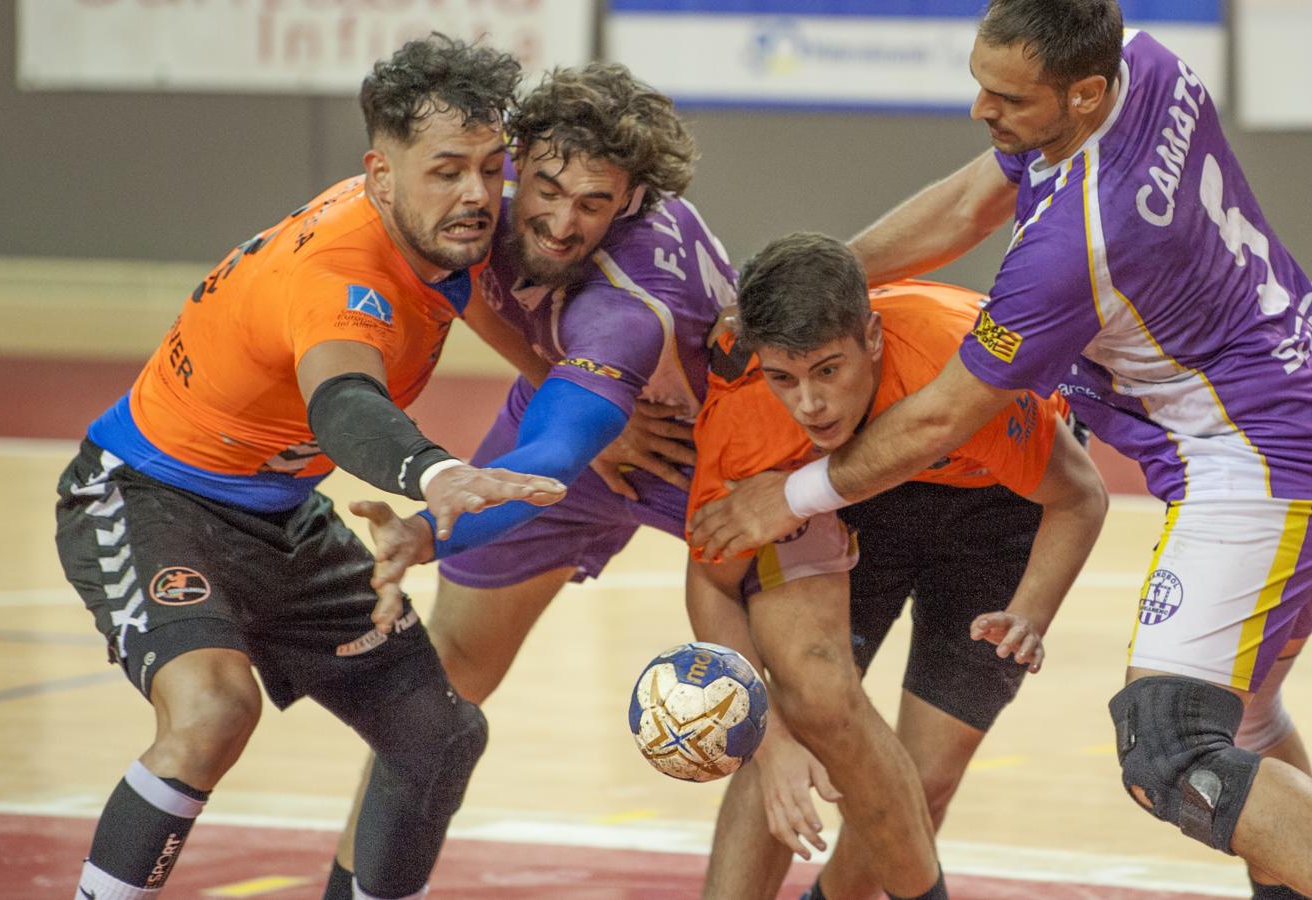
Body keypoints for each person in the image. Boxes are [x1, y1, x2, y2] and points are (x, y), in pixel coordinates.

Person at [688, 2, 1312, 896]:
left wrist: (785, 498)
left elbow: (942, 419)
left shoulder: (1071, 249)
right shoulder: (1141, 56)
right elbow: (979, 193)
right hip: (1284, 379)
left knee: (1169, 745)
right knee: (1243, 720)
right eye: (979, 82)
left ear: (1085, 92)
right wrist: (806, 294)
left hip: (1253, 457)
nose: (981, 109)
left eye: (1006, 97)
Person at [55, 35, 570, 900]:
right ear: (378, 173)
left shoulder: (446, 227)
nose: (478, 194)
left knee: (440, 737)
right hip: (148, 494)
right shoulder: (337, 265)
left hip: (280, 515)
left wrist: (560, 384)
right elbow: (344, 405)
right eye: (447, 169)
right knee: (215, 710)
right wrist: (436, 474)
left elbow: (474, 298)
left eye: (492, 167)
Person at [319, 62, 734, 897]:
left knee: (787, 705)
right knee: (445, 675)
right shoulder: (479, 210)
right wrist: (558, 386)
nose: (559, 220)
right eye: (546, 187)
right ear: (516, 160)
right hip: (579, 412)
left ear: (630, 199)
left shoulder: (632, 302)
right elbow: (477, 299)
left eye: (592, 202)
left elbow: (551, 454)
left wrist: (430, 528)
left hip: (705, 455)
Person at [685, 233, 1107, 900]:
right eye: (783, 378)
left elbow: (1080, 496)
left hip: (1001, 509)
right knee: (802, 706)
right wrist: (766, 745)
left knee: (924, 779)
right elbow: (709, 582)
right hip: (850, 499)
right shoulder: (744, 413)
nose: (809, 405)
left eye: (828, 370)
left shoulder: (969, 369)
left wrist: (1030, 610)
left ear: (872, 338)